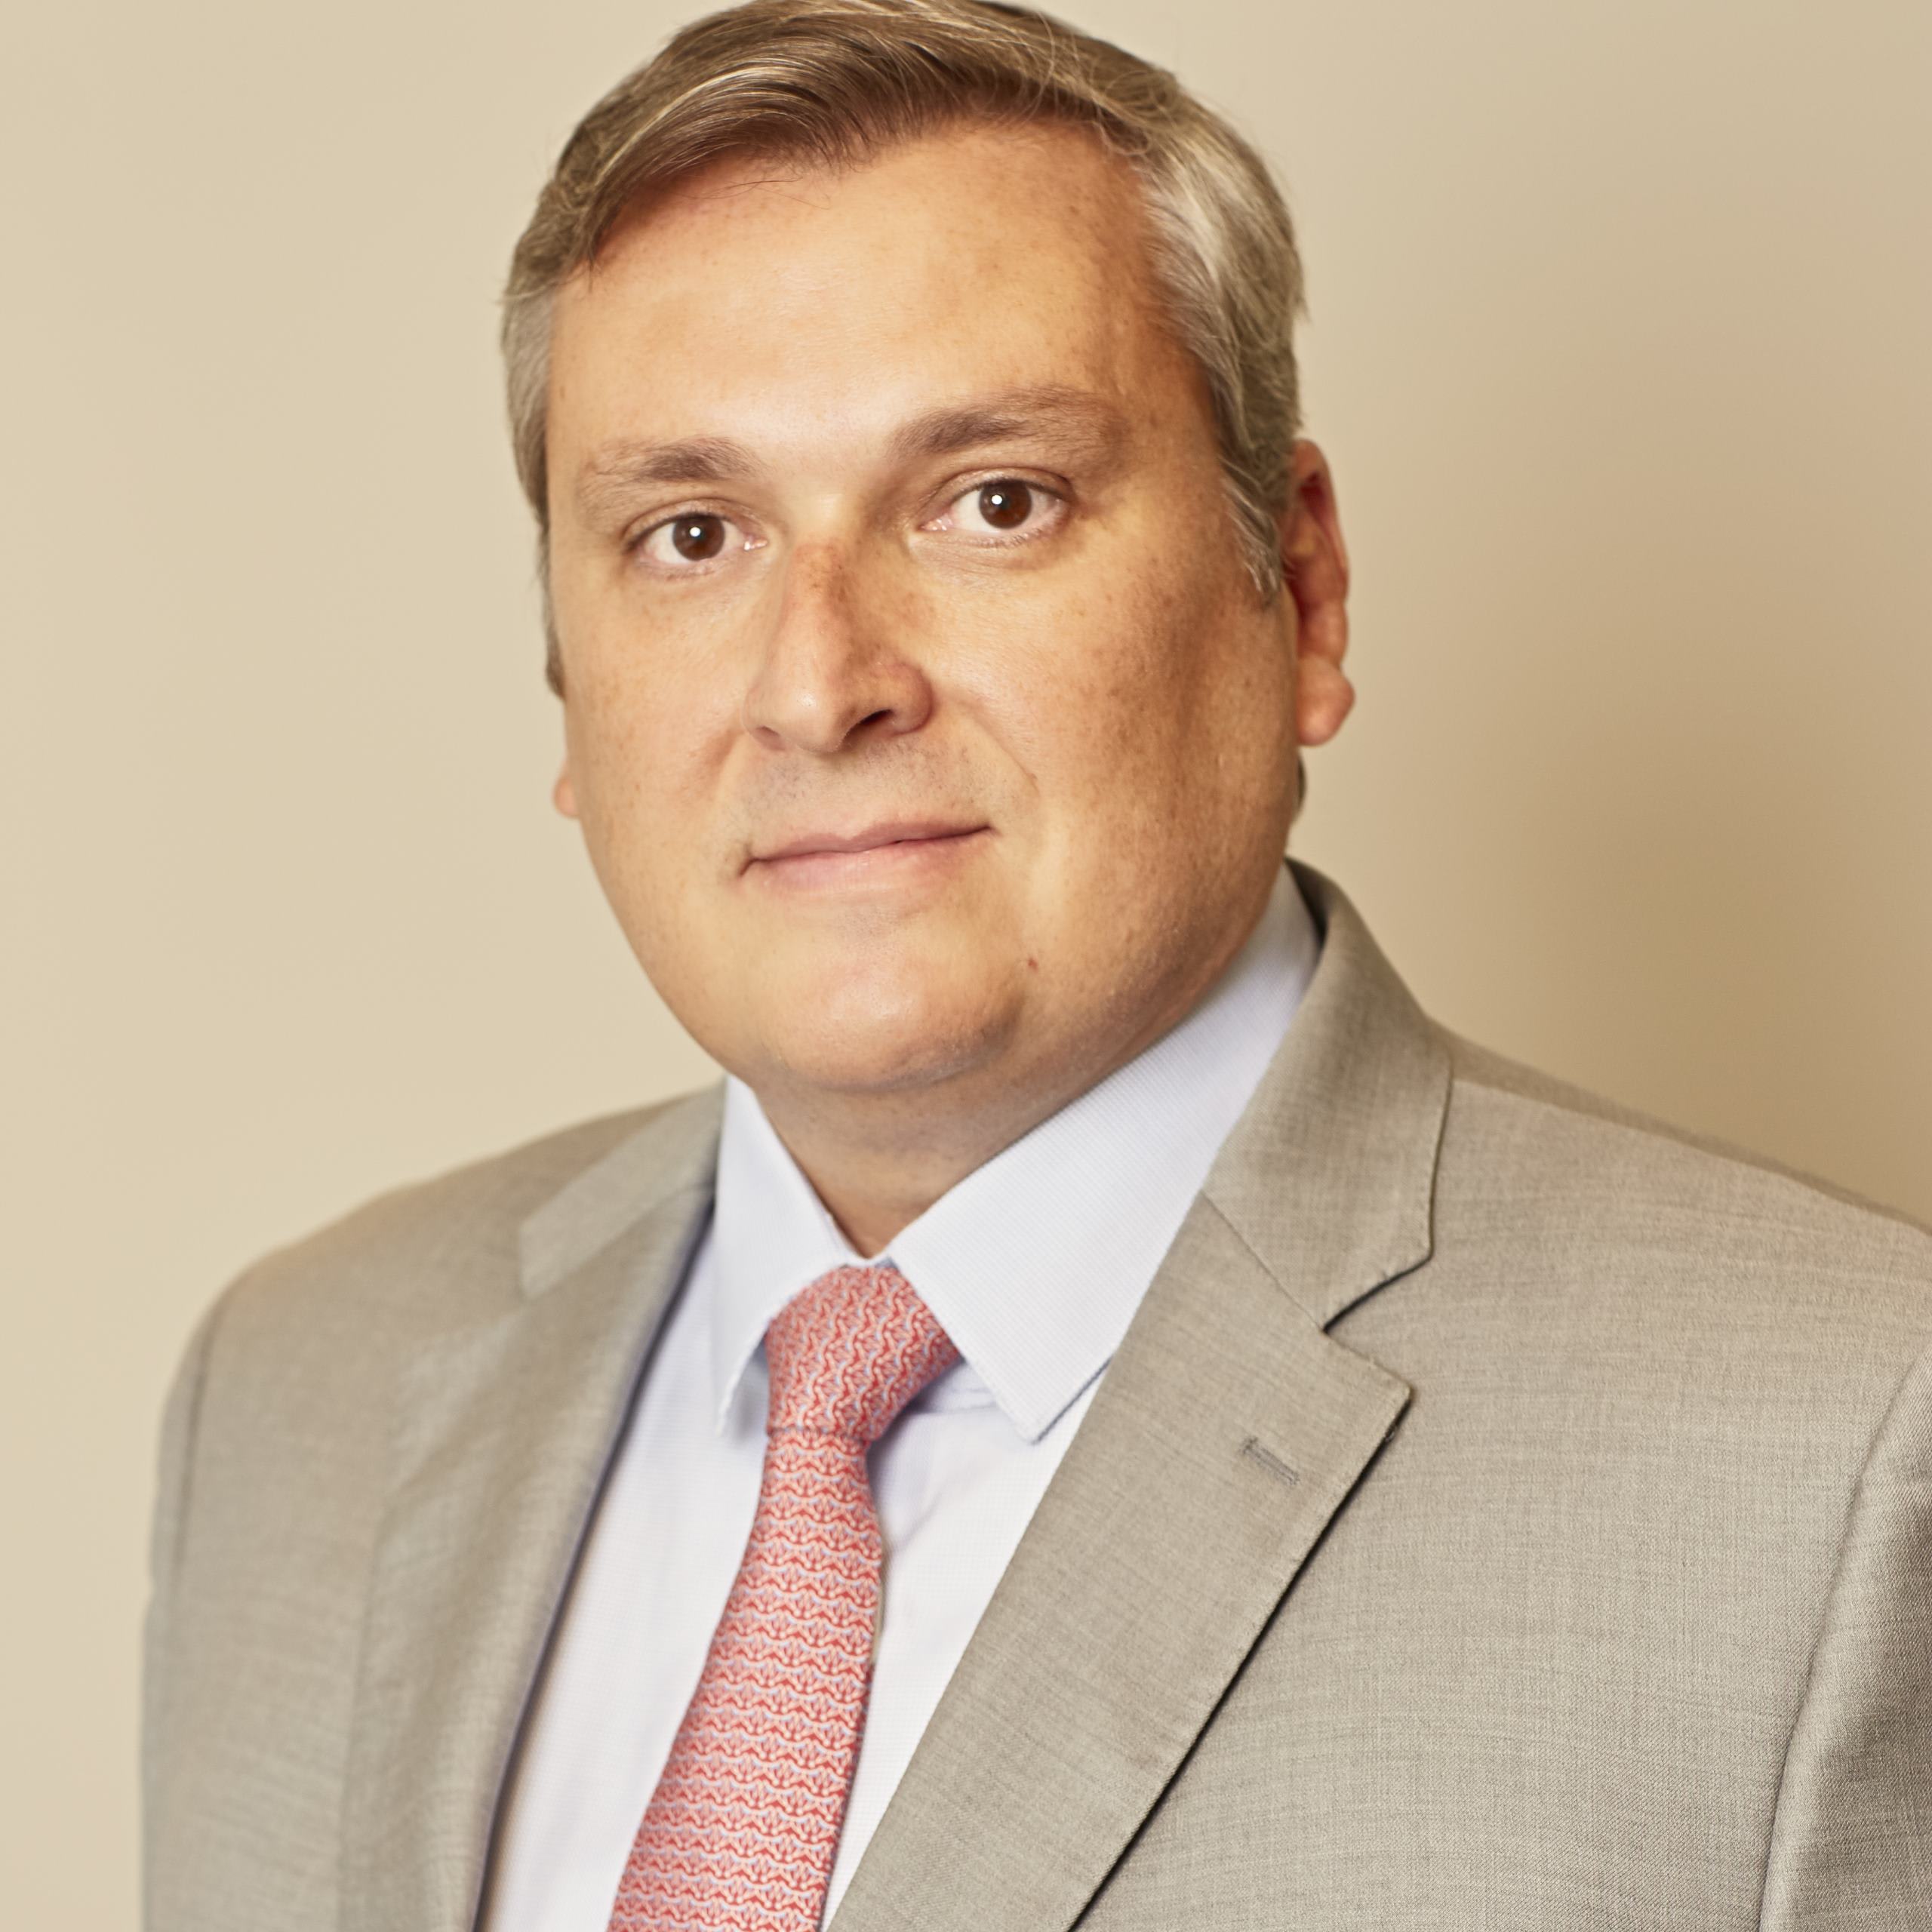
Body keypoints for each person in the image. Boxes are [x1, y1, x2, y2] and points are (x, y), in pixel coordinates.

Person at [140, 2, 1932, 1927]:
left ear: (1298, 586)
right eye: (690, 532)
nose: (819, 684)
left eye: (992, 499)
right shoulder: (298, 1391)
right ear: (567, 682)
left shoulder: (1840, 1457)